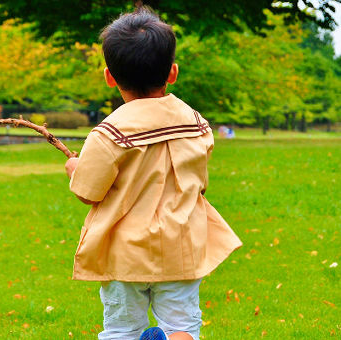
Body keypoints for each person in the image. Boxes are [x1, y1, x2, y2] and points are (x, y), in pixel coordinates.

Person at [65, 7, 242, 340]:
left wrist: (75, 168)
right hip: (182, 247)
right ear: (172, 72)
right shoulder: (197, 124)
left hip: (125, 256)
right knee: (182, 326)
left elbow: (88, 192)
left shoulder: (109, 133)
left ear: (110, 77)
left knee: (121, 329)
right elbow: (199, 183)